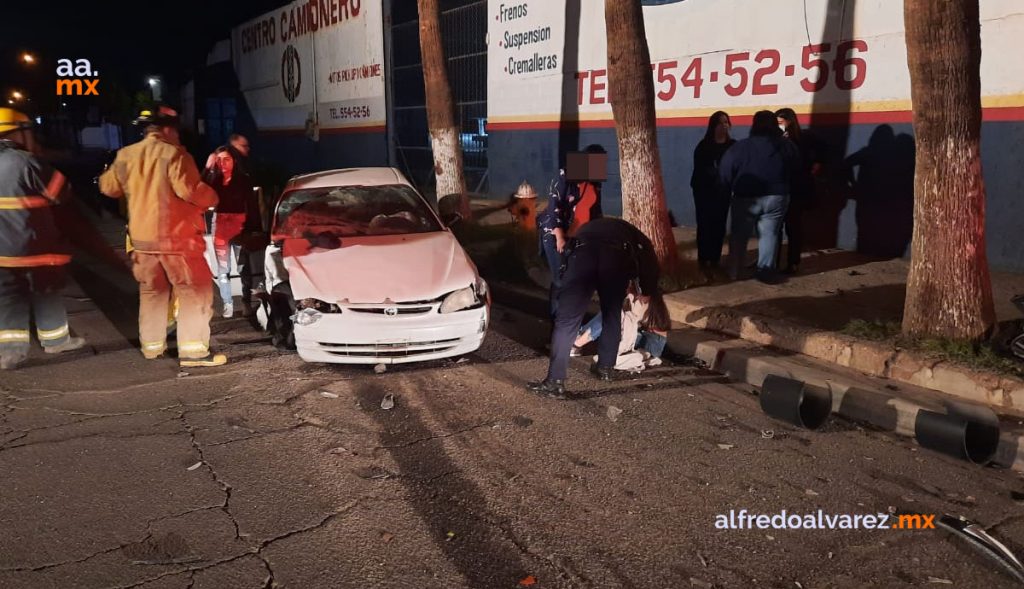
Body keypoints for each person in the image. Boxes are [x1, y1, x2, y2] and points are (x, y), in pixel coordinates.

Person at [99, 106, 227, 367]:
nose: (178, 136)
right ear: (167, 129)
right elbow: (189, 190)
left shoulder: (126, 155)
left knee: (152, 293)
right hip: (175, 240)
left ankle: (152, 347)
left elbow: (108, 187)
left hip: (142, 242)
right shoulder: (174, 155)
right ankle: (193, 353)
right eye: (177, 131)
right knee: (194, 292)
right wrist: (213, 197)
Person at [528, 217, 660, 399]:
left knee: (567, 321)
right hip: (615, 259)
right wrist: (647, 289)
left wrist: (563, 280)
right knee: (611, 314)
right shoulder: (634, 235)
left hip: (582, 256)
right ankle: (605, 368)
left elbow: (566, 253)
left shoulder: (587, 228)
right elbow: (649, 259)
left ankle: (555, 382)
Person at [0, 108, 86, 369]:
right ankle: (56, 340)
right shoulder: (25, 162)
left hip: (1, 250)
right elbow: (61, 191)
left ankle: (10, 352)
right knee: (45, 291)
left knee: (8, 296)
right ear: (18, 131)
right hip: (33, 245)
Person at [719, 110, 801, 284]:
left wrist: (727, 188)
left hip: (745, 197)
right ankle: (765, 272)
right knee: (770, 234)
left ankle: (734, 271)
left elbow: (726, 170)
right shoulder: (786, 145)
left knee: (739, 236)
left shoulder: (741, 146)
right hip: (777, 196)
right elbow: (796, 168)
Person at [538, 145, 605, 317]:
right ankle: (557, 322)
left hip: (578, 238)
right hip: (555, 234)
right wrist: (560, 236)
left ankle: (567, 320)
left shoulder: (595, 183)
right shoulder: (565, 176)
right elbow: (554, 206)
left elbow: (596, 212)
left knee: (573, 279)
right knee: (560, 280)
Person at [203, 146, 260, 318]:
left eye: (226, 159)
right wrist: (207, 168)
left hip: (239, 226)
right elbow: (200, 191)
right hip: (220, 225)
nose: (223, 163)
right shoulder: (214, 180)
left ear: (234, 161)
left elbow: (252, 205)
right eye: (219, 160)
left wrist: (254, 228)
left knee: (243, 266)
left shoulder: (243, 179)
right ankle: (227, 302)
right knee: (223, 268)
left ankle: (246, 302)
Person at [571, 288, 671, 370]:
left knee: (612, 315)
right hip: (645, 335)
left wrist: (629, 296)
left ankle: (577, 342)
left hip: (651, 343)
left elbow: (632, 318)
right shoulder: (641, 296)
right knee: (611, 313)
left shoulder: (645, 299)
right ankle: (578, 339)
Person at [690, 111, 735, 278]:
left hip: (722, 191)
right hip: (703, 191)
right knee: (704, 224)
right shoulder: (704, 145)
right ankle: (703, 260)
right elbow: (700, 170)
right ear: (713, 126)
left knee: (718, 225)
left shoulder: (732, 146)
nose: (724, 126)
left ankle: (715, 260)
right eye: (720, 123)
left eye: (726, 122)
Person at [775, 108, 820, 274]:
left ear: (790, 121)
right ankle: (772, 260)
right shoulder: (776, 139)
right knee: (776, 227)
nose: (778, 126)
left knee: (793, 227)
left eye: (780, 123)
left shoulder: (804, 138)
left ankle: (793, 262)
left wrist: (817, 164)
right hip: (780, 187)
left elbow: (823, 151)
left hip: (797, 189)